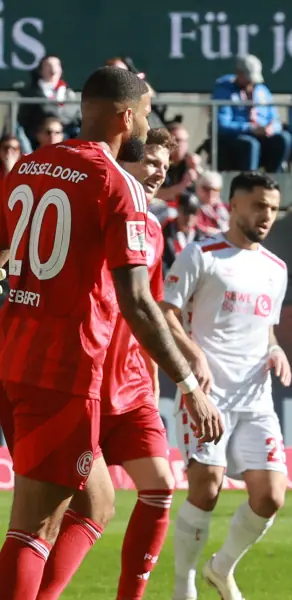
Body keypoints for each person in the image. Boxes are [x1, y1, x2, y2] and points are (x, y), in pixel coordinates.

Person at [0, 66, 221, 599]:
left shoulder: (28, 166)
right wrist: (189, 386)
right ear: (127, 117)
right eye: (145, 111)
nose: (148, 120)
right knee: (34, 527)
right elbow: (139, 301)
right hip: (64, 370)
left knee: (96, 501)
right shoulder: (115, 182)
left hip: (13, 360)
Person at [33, 127, 178, 600]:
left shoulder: (152, 230)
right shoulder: (97, 210)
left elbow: (150, 311)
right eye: (150, 162)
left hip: (132, 385)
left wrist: (159, 379)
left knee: (159, 486)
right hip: (83, 379)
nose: (158, 172)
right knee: (66, 512)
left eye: (165, 166)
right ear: (125, 166)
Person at [161, 172, 291, 600]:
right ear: (233, 206)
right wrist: (195, 355)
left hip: (256, 398)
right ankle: (184, 586)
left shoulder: (276, 268)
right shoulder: (202, 254)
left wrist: (277, 350)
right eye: (258, 205)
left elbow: (267, 331)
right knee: (207, 485)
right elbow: (166, 314)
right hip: (207, 394)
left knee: (271, 496)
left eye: (272, 207)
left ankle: (222, 567)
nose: (266, 215)